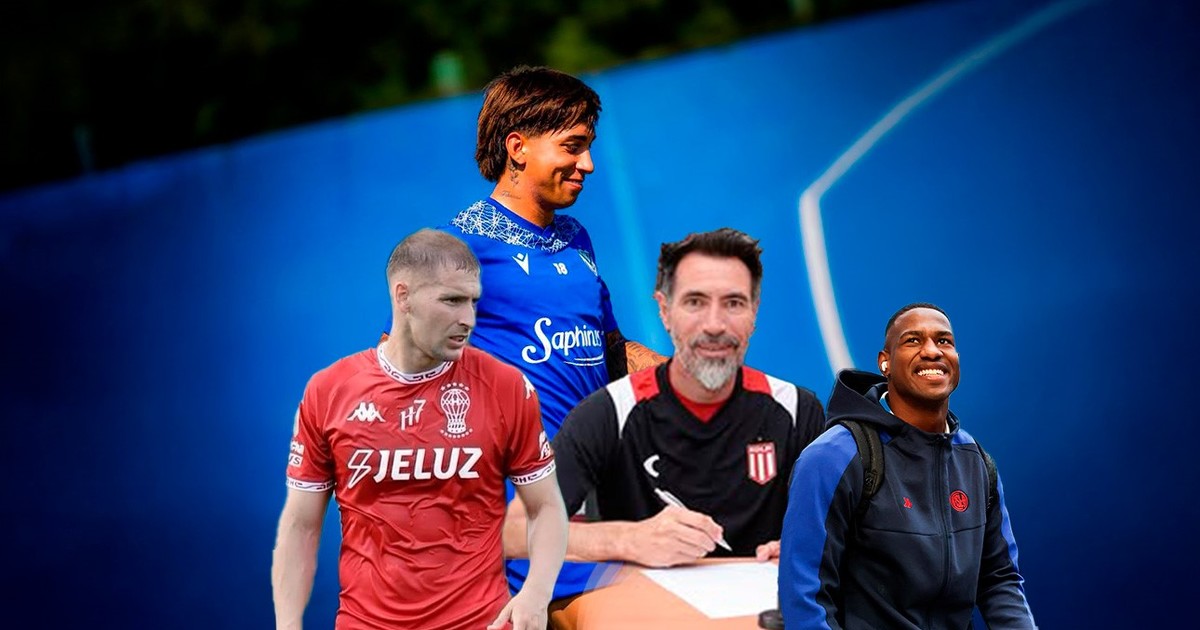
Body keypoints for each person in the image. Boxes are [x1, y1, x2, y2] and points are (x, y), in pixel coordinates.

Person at [394, 65, 664, 599]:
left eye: (589, 147)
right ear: (518, 148)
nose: (588, 164)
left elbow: (609, 350)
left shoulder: (576, 238)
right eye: (573, 146)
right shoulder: (453, 251)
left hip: (596, 502)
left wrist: (690, 381)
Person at [274, 229, 568, 630]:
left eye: (473, 301)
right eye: (452, 300)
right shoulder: (328, 391)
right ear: (403, 296)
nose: (468, 319)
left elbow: (546, 506)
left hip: (480, 621)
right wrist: (287, 624)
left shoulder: (506, 386)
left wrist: (536, 592)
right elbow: (301, 524)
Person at [505, 228, 826, 567]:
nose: (714, 325)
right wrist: (626, 539)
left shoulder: (797, 411)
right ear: (665, 310)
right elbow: (513, 531)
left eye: (733, 303)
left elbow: (840, 530)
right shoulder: (610, 411)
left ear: (754, 313)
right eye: (695, 302)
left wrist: (811, 545)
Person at [778, 303, 1035, 629]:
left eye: (944, 341)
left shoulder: (977, 463)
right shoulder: (832, 458)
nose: (932, 351)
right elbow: (806, 598)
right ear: (885, 362)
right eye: (913, 340)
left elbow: (999, 580)